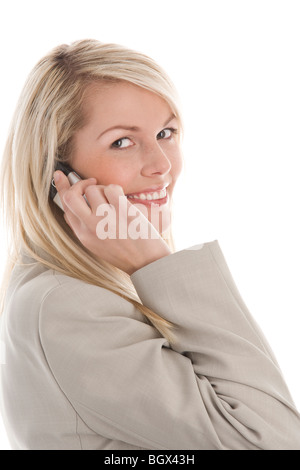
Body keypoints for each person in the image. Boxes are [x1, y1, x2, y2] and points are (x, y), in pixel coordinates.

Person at [0, 39, 299, 451]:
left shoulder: (83, 284)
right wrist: (155, 261)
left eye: (166, 132)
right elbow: (273, 441)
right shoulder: (68, 305)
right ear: (59, 172)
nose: (161, 165)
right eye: (122, 141)